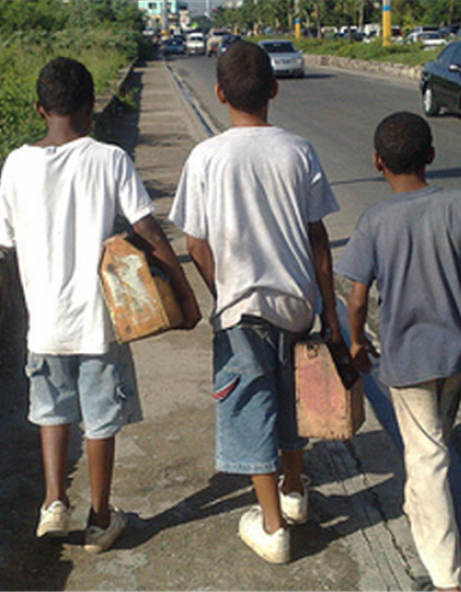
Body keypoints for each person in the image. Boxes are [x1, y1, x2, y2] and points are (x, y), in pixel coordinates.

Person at [0, 57, 201, 553]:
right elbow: (148, 230)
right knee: (101, 419)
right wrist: (184, 291)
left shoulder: (16, 164)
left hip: (44, 321)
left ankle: (53, 503)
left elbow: (6, 239)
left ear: (39, 109)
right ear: (91, 107)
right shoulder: (108, 159)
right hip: (100, 321)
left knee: (50, 411)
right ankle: (100, 519)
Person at [168, 40, 345, 564]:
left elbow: (194, 243)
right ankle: (294, 493)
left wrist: (218, 289)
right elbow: (318, 240)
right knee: (292, 402)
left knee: (252, 408)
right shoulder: (298, 150)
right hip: (296, 303)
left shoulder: (206, 157)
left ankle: (271, 526)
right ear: (273, 89)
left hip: (241, 308)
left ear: (219, 93)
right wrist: (330, 314)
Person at [335, 112, 461, 591]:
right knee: (433, 445)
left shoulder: (375, 220)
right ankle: (419, 508)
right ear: (431, 156)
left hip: (408, 361)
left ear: (376, 162)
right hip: (456, 356)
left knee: (428, 459)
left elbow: (356, 297)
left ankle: (447, 580)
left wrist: (355, 341)